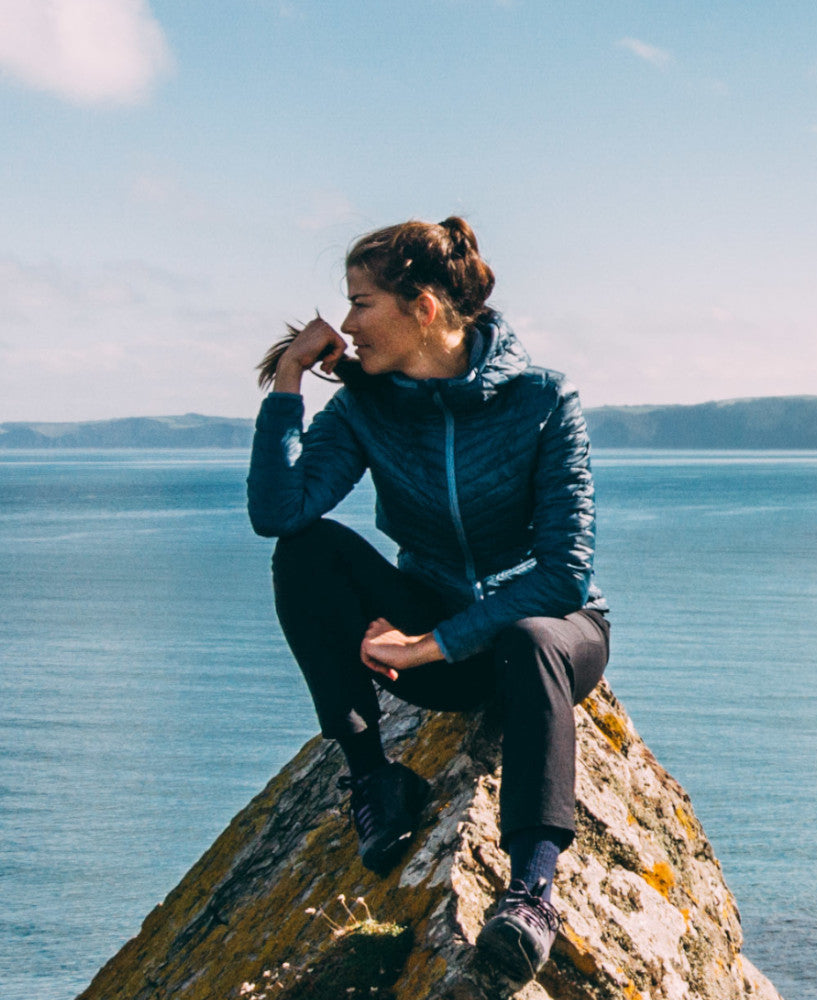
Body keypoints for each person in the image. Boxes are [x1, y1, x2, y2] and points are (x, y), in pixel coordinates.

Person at [246, 217, 610, 981]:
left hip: (546, 640)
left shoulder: (542, 400)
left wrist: (427, 646)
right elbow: (280, 514)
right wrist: (286, 383)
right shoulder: (364, 409)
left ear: (425, 307)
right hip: (440, 627)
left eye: (361, 302)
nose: (344, 324)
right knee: (305, 552)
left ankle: (532, 892)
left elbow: (563, 575)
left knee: (536, 636)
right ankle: (373, 776)